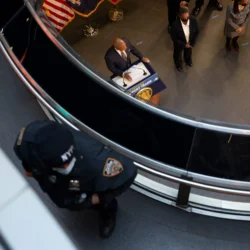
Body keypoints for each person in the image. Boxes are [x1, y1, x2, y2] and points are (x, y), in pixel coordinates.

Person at [13, 120, 137, 239]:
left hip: (84, 184)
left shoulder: (96, 160)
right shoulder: (28, 146)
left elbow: (129, 175)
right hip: (57, 186)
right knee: (66, 200)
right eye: (60, 165)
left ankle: (108, 213)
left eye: (68, 160)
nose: (66, 167)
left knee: (101, 203)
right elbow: (28, 166)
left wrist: (97, 199)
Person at [171, 7, 199, 72]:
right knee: (177, 54)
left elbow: (197, 31)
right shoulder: (174, 25)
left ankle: (188, 61)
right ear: (179, 16)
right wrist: (184, 45)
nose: (186, 20)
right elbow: (174, 39)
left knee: (188, 52)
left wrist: (193, 43)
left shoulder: (193, 20)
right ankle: (178, 64)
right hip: (180, 43)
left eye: (187, 17)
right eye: (184, 18)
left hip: (190, 42)